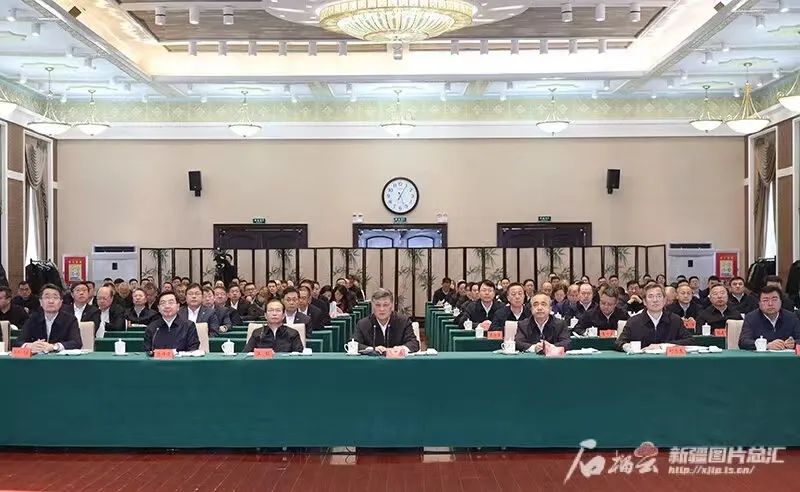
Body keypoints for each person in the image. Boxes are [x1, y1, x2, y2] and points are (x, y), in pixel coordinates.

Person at [616, 284, 694, 352]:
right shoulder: (634, 322)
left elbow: (690, 341)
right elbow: (619, 343)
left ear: (664, 300)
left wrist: (662, 346)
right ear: (644, 301)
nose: (655, 300)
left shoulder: (675, 320)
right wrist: (628, 347)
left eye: (659, 296)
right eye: (650, 296)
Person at [13, 284, 82, 352]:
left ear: (61, 302)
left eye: (55, 298)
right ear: (40, 302)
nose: (51, 301)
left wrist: (54, 346)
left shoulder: (70, 319)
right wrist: (30, 345)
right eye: (47, 297)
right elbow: (18, 342)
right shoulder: (33, 319)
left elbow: (76, 343)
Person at [353, 288, 419, 354]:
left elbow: (414, 343)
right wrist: (372, 349)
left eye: (385, 305)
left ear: (391, 305)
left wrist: (401, 348)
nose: (381, 309)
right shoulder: (363, 324)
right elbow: (354, 344)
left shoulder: (403, 322)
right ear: (372, 306)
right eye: (378, 305)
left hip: (397, 359)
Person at [739, 286, 800, 350]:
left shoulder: (791, 317)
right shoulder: (751, 318)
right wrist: (766, 345)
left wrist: (794, 343)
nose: (770, 304)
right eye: (765, 300)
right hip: (761, 356)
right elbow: (743, 342)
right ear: (759, 303)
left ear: (781, 302)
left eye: (774, 300)